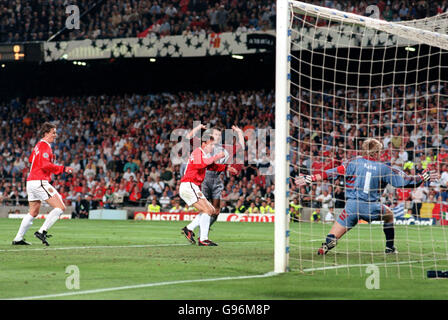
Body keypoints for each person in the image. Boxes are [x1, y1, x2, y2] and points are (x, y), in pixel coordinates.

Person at [296, 138, 439, 255]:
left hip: (352, 207)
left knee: (332, 237)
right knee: (389, 215)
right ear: (376, 152)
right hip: (372, 207)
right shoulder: (384, 168)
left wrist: (311, 178)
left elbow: (331, 172)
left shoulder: (353, 163)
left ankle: (326, 245)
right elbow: (404, 182)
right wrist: (423, 177)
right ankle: (390, 248)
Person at [12, 122, 74, 246]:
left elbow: (31, 159)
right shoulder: (45, 146)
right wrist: (63, 168)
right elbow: (45, 165)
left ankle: (18, 238)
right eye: (53, 132)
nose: (55, 135)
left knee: (33, 212)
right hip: (39, 181)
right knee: (60, 207)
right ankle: (42, 231)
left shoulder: (38, 146)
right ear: (46, 133)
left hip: (31, 182)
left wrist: (50, 159)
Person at [179, 130, 238, 246]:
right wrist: (217, 156)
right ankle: (202, 238)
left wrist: (226, 169)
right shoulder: (197, 152)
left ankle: (190, 229)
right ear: (204, 144)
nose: (212, 147)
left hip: (192, 186)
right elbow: (202, 164)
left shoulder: (203, 155)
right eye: (211, 144)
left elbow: (211, 166)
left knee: (211, 210)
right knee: (208, 210)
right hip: (189, 185)